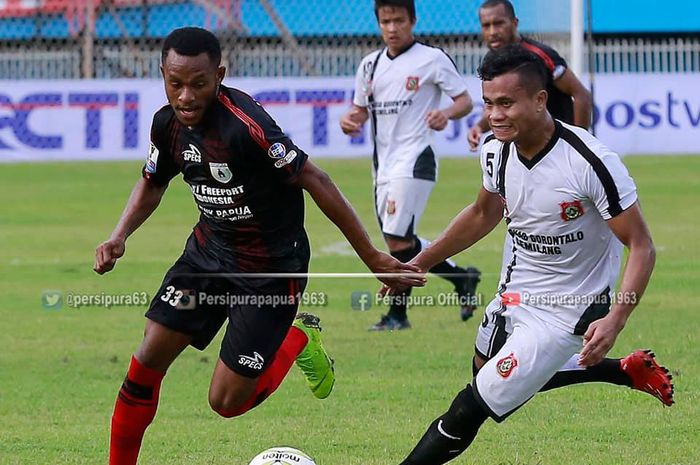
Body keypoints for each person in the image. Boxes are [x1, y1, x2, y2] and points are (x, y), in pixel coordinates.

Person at [93, 27, 423, 465]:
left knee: (226, 402)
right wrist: (119, 235)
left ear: (220, 75)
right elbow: (153, 183)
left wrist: (372, 257)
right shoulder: (166, 124)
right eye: (175, 83)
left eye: (198, 83)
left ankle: (299, 338)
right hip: (206, 256)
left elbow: (316, 180)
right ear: (162, 75)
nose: (186, 96)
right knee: (143, 366)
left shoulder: (246, 126)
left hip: (270, 268)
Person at [385, 45, 673, 465]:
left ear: (540, 100)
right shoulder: (496, 151)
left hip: (566, 311)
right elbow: (483, 213)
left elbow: (641, 245)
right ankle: (621, 370)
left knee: (469, 407)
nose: (494, 115)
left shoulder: (591, 162)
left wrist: (616, 318)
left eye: (506, 103)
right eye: (488, 103)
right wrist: (418, 264)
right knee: (486, 374)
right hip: (514, 291)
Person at [340, 0, 481, 330]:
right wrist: (351, 119)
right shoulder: (370, 65)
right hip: (383, 166)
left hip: (416, 159)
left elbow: (463, 101)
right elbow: (360, 109)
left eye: (399, 20)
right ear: (378, 23)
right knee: (398, 242)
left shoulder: (431, 59)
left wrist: (444, 114)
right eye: (385, 21)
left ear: (413, 21)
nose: (392, 28)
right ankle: (462, 279)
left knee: (397, 237)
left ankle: (397, 315)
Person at [468, 0, 593, 151]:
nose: (493, 32)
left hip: (555, 147)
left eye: (499, 23)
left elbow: (581, 95)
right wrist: (479, 127)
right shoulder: (491, 60)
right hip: (521, 150)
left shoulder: (540, 55)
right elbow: (500, 107)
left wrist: (578, 146)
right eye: (486, 26)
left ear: (515, 23)